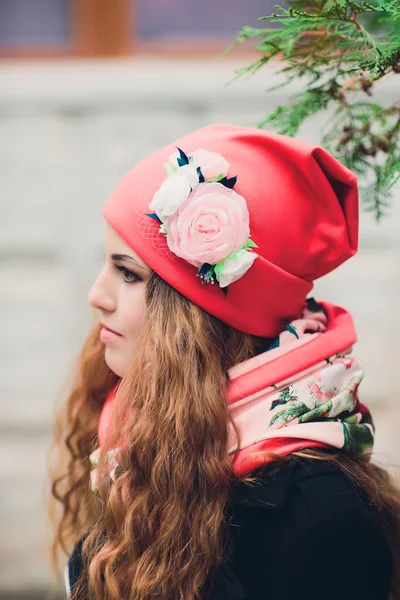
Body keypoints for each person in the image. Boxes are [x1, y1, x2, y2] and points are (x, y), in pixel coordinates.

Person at [49, 124, 400, 600]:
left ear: (200, 317)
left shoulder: (318, 512)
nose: (97, 295)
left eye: (128, 274)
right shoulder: (151, 443)